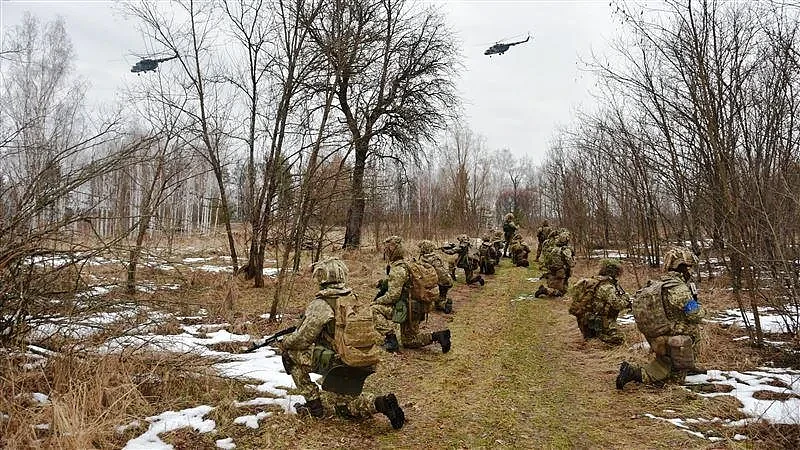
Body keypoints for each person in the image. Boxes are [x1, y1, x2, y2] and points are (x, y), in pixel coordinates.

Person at [279, 257, 405, 429]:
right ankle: (381, 403)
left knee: (290, 356)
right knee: (344, 407)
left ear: (322, 277)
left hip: (341, 361)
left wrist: (285, 342)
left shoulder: (322, 304)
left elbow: (302, 339)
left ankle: (314, 406)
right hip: (363, 358)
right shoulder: (352, 297)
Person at [616, 247, 706, 389]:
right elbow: (694, 314)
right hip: (670, 333)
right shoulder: (679, 289)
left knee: (667, 364)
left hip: (658, 333)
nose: (692, 272)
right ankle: (633, 372)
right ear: (683, 267)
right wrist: (702, 310)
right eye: (690, 268)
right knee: (673, 381)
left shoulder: (661, 284)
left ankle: (684, 365)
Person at [372, 236, 451, 353]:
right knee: (410, 341)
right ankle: (439, 336)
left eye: (387, 249)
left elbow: (393, 296)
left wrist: (377, 301)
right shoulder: (408, 264)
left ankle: (391, 339)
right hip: (418, 307)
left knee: (375, 309)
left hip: (408, 309)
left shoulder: (398, 268)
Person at [568, 259, 629, 346]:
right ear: (614, 273)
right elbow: (618, 305)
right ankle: (599, 336)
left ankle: (592, 336)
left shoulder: (593, 281)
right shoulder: (607, 287)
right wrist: (626, 298)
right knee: (620, 338)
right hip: (599, 322)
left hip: (584, 322)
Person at [535, 229, 575, 298]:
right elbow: (571, 264)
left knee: (560, 288)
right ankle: (546, 290)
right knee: (560, 293)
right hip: (561, 272)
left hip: (553, 271)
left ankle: (547, 288)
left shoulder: (554, 249)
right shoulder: (565, 250)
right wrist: (573, 262)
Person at [418, 240, 454, 314]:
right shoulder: (436, 257)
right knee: (441, 298)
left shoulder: (424, 259)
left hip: (438, 283)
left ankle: (442, 304)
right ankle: (444, 302)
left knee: (435, 302)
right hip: (447, 281)